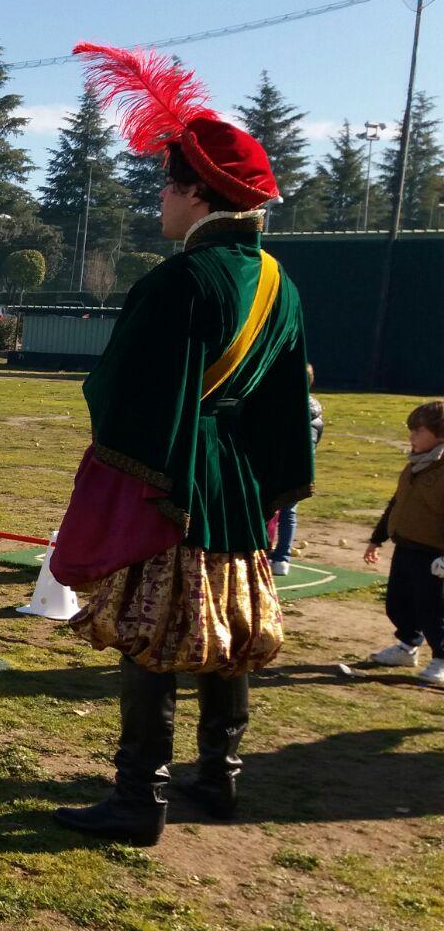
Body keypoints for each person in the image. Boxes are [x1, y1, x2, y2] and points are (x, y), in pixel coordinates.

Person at [52, 44, 315, 847]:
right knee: (224, 629)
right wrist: (268, 483)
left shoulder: (178, 282)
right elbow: (282, 402)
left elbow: (123, 392)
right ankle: (220, 780)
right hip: (238, 481)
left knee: (153, 634)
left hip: (178, 478)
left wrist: (132, 461)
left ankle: (138, 799)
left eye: (167, 186)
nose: (160, 201)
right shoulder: (279, 281)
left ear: (200, 195)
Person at [362, 399, 444, 686]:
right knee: (398, 602)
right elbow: (397, 503)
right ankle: (407, 646)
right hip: (406, 546)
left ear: (440, 434)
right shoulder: (413, 466)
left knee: (433, 607)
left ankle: (442, 658)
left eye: (418, 431)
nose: (411, 437)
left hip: (434, 555)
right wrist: (378, 538)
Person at [269, 365, 324, 576]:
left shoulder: (287, 408)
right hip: (301, 469)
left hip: (284, 467)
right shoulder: (315, 410)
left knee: (274, 510)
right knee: (287, 511)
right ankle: (281, 558)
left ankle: (273, 554)